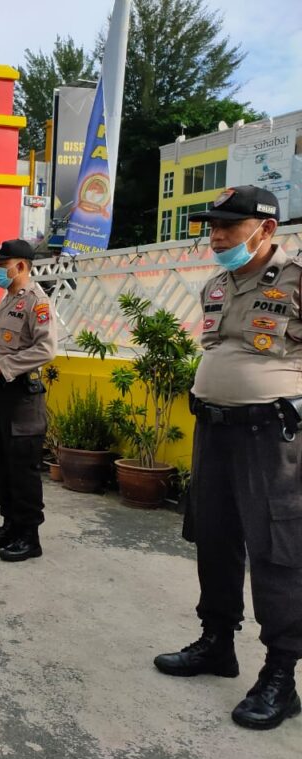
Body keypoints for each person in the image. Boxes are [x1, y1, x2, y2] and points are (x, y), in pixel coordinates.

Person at [153, 185, 302, 731]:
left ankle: (281, 675)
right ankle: (217, 642)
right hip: (214, 430)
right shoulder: (216, 285)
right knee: (214, 538)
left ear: (266, 228)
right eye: (212, 227)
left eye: (227, 227)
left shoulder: (296, 280)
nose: (216, 237)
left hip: (272, 436)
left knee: (276, 551)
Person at [0, 239, 58, 562]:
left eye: (1, 264)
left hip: (21, 397)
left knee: (22, 470)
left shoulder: (37, 302)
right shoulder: (7, 301)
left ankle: (28, 536)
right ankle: (9, 526)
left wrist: (4, 367)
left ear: (20, 266)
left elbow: (46, 349)